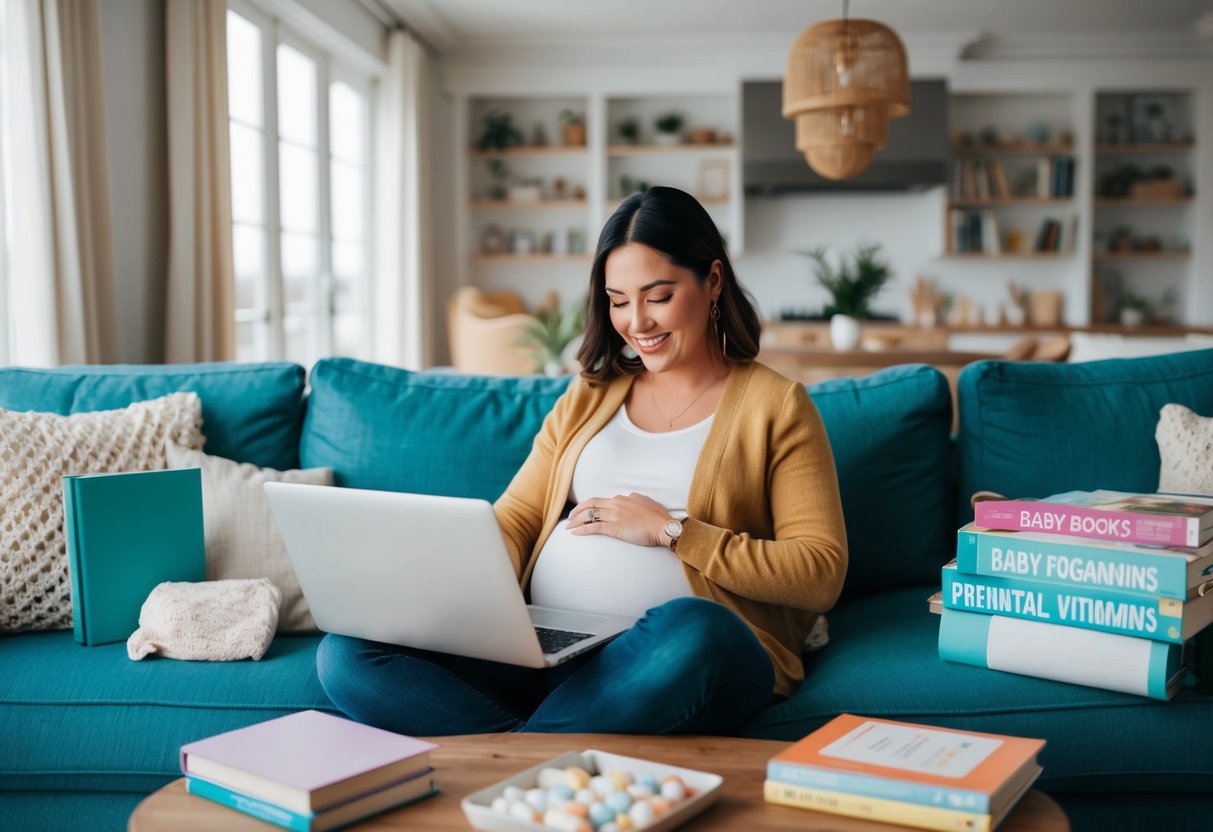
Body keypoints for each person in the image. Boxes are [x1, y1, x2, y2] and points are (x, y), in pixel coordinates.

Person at [317, 186, 848, 736]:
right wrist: (450, 579)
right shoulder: (591, 394)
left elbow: (819, 571)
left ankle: (516, 759)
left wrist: (671, 530)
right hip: (544, 652)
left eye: (657, 296)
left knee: (697, 629)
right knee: (350, 650)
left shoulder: (776, 406)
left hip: (675, 657)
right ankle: (542, 757)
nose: (636, 322)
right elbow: (518, 517)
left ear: (712, 281)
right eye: (618, 300)